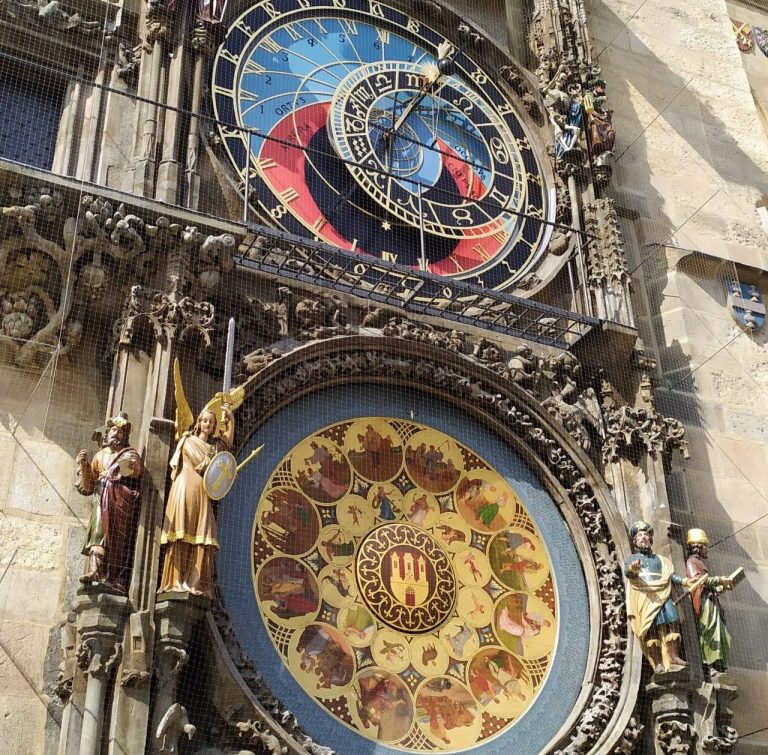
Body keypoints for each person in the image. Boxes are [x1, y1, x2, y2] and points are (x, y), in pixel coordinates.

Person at [158, 404, 234, 597]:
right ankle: (175, 581)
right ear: (199, 423)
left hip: (203, 492)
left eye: (212, 422)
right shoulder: (188, 440)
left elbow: (226, 446)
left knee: (204, 534)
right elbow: (199, 464)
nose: (208, 424)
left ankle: (195, 582)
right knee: (181, 530)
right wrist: (207, 464)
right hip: (186, 487)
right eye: (205, 420)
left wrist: (230, 420)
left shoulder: (214, 447)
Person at [76, 412, 142, 592]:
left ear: (125, 436)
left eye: (120, 432)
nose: (116, 434)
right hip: (101, 498)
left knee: (117, 541)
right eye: (113, 430)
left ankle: (114, 578)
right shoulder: (99, 456)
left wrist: (135, 467)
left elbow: (137, 473)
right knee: (98, 533)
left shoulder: (129, 453)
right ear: (107, 433)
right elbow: (89, 486)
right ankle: (94, 571)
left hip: (120, 503)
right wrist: (84, 465)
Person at [625, 521, 689, 673]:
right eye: (640, 535)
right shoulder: (633, 558)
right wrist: (633, 568)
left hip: (663, 594)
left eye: (646, 535)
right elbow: (628, 573)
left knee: (672, 621)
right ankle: (658, 662)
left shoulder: (660, 560)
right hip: (646, 596)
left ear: (651, 539)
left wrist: (685, 581)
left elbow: (670, 576)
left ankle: (673, 656)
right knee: (650, 628)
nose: (643, 538)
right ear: (635, 541)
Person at [685, 528, 734, 676]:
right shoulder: (692, 562)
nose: (707, 549)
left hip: (711, 601)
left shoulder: (699, 562)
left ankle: (718, 664)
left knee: (722, 634)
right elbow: (697, 581)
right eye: (705, 545)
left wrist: (721, 586)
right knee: (710, 632)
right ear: (698, 546)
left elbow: (708, 585)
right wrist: (719, 580)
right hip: (705, 604)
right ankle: (709, 666)